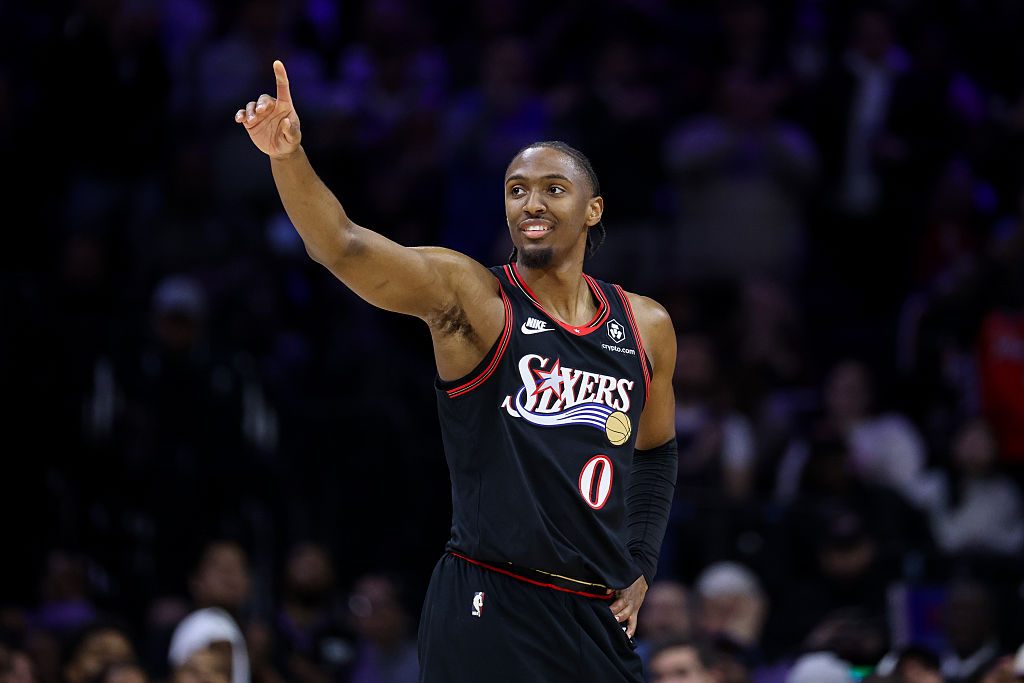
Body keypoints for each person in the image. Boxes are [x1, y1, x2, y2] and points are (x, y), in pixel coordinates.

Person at [235, 60, 678, 682]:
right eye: (516, 188)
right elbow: (343, 244)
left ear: (593, 209)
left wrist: (640, 560)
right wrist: (287, 156)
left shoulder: (645, 326)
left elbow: (656, 452)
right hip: (490, 599)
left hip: (593, 612)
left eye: (554, 187)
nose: (532, 202)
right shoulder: (475, 300)